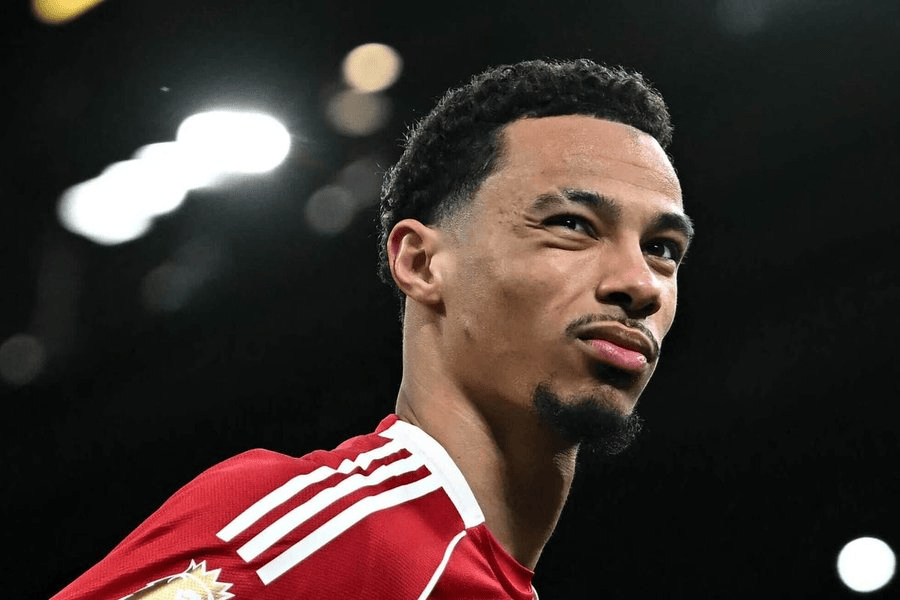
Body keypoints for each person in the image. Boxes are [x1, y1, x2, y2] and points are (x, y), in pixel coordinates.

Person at [51, 58, 693, 600]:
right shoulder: (317, 543)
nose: (640, 283)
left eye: (663, 248)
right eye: (573, 225)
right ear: (421, 264)